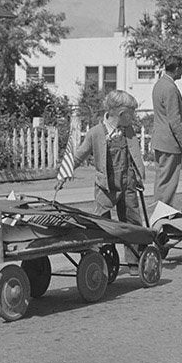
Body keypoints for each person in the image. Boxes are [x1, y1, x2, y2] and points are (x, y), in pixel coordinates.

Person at [56, 89, 144, 272]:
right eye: (132, 114)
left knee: (132, 223)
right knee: (100, 222)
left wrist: (139, 176)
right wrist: (63, 174)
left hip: (128, 184)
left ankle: (135, 261)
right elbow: (79, 155)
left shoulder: (128, 132)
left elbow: (134, 155)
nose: (133, 118)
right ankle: (102, 257)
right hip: (106, 186)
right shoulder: (96, 133)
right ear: (121, 114)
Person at [150, 56, 182, 209]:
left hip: (160, 140)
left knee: (162, 180)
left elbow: (166, 110)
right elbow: (174, 120)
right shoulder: (170, 88)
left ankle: (159, 214)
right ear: (176, 69)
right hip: (169, 142)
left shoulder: (160, 84)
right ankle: (162, 216)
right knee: (168, 183)